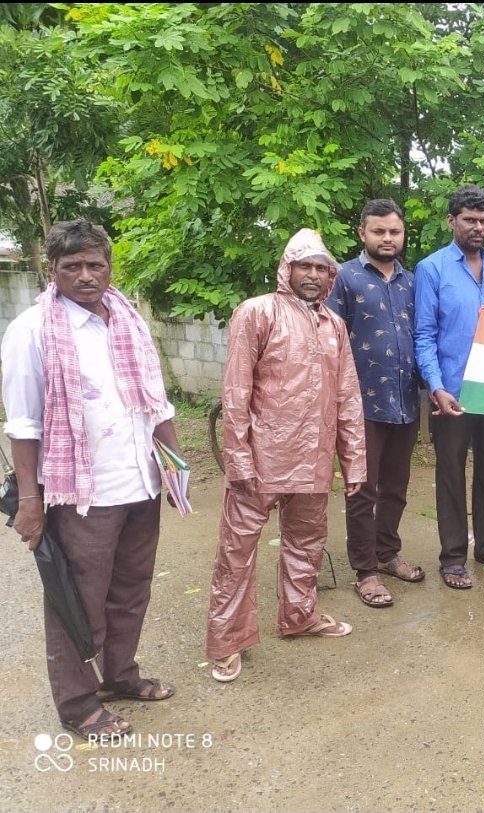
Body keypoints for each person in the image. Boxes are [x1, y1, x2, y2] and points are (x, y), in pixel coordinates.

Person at [2, 219, 180, 738]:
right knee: (76, 600)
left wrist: (174, 470)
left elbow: (156, 403)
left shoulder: (129, 320)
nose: (85, 275)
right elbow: (24, 425)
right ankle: (78, 705)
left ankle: (120, 677)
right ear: (50, 270)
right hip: (82, 494)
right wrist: (31, 502)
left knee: (130, 590)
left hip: (140, 482)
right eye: (71, 266)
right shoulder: (31, 332)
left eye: (94, 264)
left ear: (109, 266)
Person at [205, 229, 367, 682]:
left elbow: (347, 396)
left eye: (321, 268)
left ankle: (301, 617)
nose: (313, 275)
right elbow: (236, 390)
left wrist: (353, 460)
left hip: (314, 459)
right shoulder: (258, 312)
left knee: (307, 544)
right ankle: (227, 640)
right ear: (287, 269)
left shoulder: (333, 325)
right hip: (262, 459)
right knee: (236, 553)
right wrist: (238, 458)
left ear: (330, 276)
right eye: (305, 266)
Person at [414, 184, 484, 590]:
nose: (478, 228)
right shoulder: (433, 268)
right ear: (452, 221)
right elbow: (424, 335)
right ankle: (453, 556)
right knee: (451, 474)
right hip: (451, 393)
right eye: (470, 220)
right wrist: (436, 388)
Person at [327, 199, 424, 609]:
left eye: (394, 232)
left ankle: (387, 554)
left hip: (404, 400)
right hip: (360, 403)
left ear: (403, 234)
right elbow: (329, 339)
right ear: (362, 233)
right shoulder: (344, 278)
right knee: (362, 489)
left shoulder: (412, 280)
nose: (388, 238)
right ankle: (365, 570)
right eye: (379, 231)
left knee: (396, 488)